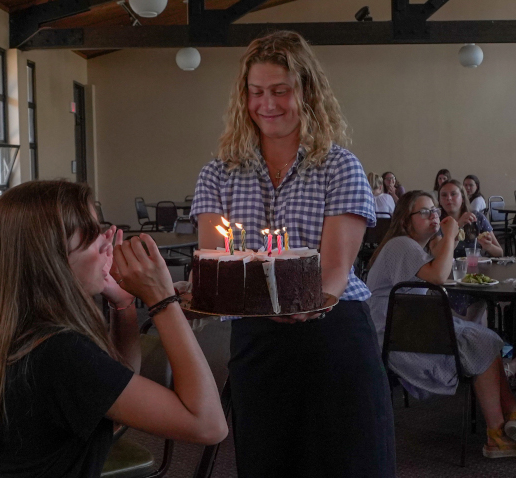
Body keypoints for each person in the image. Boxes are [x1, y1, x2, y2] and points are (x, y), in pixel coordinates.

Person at [189, 31, 395, 476]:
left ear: (306, 92)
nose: (268, 104)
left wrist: (308, 303)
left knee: (349, 463)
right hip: (258, 340)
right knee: (268, 460)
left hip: (333, 334)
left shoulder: (340, 166)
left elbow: (336, 270)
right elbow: (216, 260)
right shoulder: (216, 175)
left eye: (281, 91)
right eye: (257, 92)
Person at [0, 181, 227, 477]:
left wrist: (123, 306)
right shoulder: (60, 352)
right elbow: (208, 425)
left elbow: (114, 386)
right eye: (94, 237)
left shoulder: (24, 329)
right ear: (54, 260)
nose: (108, 245)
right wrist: (162, 300)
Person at [367, 190, 516, 457]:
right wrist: (449, 235)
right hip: (397, 338)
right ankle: (496, 435)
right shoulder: (401, 245)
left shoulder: (411, 248)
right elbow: (438, 276)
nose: (433, 216)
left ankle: (509, 419)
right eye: (424, 212)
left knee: (487, 338)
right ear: (405, 220)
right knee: (483, 341)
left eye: (434, 210)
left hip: (411, 329)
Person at [438, 179, 502, 259]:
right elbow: (439, 255)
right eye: (444, 195)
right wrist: (458, 226)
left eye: (453, 194)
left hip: (476, 269)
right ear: (439, 201)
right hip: (449, 270)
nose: (449, 198)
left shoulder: (476, 217)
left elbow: (500, 253)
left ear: (463, 198)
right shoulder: (436, 222)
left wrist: (489, 246)